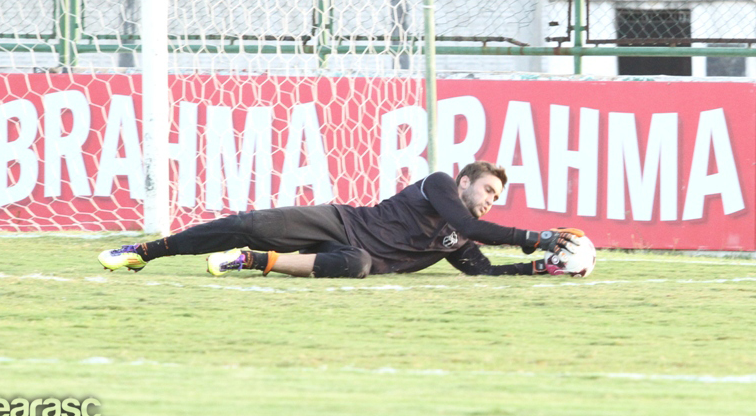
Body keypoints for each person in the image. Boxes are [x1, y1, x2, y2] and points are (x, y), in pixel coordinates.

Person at [98, 161, 583, 278]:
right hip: (337, 222)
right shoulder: (438, 183)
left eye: (497, 198)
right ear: (464, 183)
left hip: (353, 253)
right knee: (251, 221)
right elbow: (477, 228)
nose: (489, 202)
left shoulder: (455, 238)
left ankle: (249, 261)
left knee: (358, 266)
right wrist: (536, 238)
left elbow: (484, 269)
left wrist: (541, 267)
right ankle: (145, 251)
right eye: (487, 191)